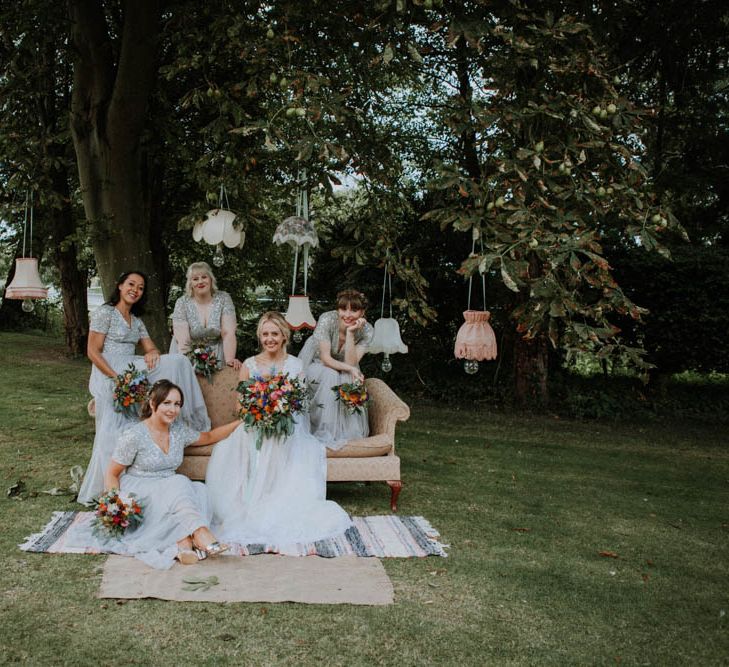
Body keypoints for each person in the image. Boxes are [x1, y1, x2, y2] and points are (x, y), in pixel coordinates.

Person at [205, 311, 353, 548]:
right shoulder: (249, 365)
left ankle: (275, 497)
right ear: (259, 337)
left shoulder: (295, 365)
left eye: (274, 333)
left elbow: (300, 404)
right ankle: (251, 500)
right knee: (249, 441)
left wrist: (279, 410)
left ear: (284, 336)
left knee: (280, 439)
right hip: (255, 424)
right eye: (265, 334)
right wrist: (261, 411)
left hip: (287, 426)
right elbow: (239, 406)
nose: (269, 339)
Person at [67, 381, 240, 569]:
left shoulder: (179, 431)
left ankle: (184, 547)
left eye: (177, 404)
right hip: (140, 487)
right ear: (152, 403)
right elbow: (112, 473)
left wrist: (241, 422)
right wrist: (116, 502)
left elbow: (209, 437)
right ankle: (200, 533)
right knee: (181, 483)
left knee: (198, 490)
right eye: (166, 403)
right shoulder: (134, 435)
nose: (172, 409)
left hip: (170, 487)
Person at [77, 271, 211, 505]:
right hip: (108, 369)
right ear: (119, 286)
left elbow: (151, 349)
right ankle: (108, 484)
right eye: (131, 284)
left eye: (140, 287)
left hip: (131, 370)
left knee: (178, 360)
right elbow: (92, 352)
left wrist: (151, 352)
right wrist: (117, 378)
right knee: (113, 425)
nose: (135, 290)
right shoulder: (105, 313)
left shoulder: (136, 321)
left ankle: (187, 420)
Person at [298, 289, 374, 450]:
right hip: (316, 361)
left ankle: (345, 435)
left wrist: (351, 334)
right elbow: (325, 358)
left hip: (345, 365)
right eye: (343, 309)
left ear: (363, 312)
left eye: (354, 310)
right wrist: (351, 369)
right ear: (337, 309)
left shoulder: (367, 330)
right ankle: (322, 431)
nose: (347, 314)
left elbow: (350, 362)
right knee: (331, 375)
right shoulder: (327, 319)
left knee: (348, 380)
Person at [170, 261, 241, 371]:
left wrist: (230, 361)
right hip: (186, 353)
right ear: (190, 284)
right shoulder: (182, 302)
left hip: (217, 354)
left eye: (204, 277)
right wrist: (190, 367)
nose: (200, 281)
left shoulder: (224, 298)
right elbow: (183, 340)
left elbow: (228, 333)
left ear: (211, 279)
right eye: (195, 279)